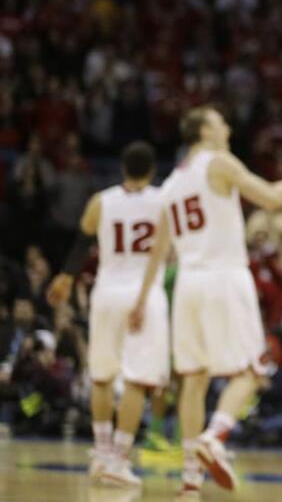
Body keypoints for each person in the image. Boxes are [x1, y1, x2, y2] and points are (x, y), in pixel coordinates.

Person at [130, 106, 282, 499]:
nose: (227, 126)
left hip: (188, 283)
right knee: (254, 369)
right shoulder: (218, 162)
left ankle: (190, 478)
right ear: (204, 130)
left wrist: (143, 298)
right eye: (220, 121)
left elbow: (158, 249)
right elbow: (272, 199)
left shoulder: (171, 183)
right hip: (224, 276)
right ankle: (215, 435)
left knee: (193, 378)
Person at [46, 141, 168, 489]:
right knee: (136, 379)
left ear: (122, 168)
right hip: (142, 294)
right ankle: (119, 457)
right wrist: (144, 299)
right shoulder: (163, 201)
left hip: (106, 292)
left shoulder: (101, 200)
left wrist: (67, 276)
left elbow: (82, 242)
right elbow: (164, 251)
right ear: (153, 169)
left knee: (101, 375)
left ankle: (100, 453)